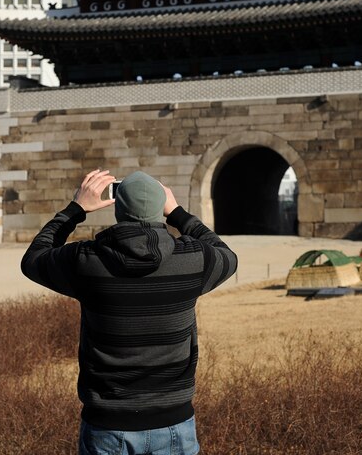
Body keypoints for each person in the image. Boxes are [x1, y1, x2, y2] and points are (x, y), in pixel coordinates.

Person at [21, 169, 238, 455]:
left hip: (108, 424)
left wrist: (75, 209)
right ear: (160, 208)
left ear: (118, 210)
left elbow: (34, 258)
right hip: (174, 422)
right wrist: (177, 213)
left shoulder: (87, 261)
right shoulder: (193, 260)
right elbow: (226, 254)